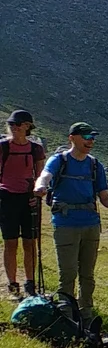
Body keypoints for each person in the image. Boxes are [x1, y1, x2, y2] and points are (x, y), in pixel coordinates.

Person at [34, 121, 108, 310]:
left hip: (91, 225)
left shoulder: (96, 165)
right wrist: (40, 186)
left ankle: (86, 315)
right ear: (72, 138)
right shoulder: (59, 160)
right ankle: (66, 314)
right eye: (87, 137)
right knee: (68, 273)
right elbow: (45, 175)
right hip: (65, 225)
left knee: (87, 275)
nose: (91, 141)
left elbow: (105, 198)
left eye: (93, 138)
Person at [2, 109, 46, 297]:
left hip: (29, 199)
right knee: (10, 242)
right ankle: (12, 283)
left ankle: (30, 283)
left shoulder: (36, 149)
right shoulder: (3, 147)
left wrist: (38, 192)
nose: (14, 128)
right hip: (6, 197)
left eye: (18, 124)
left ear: (27, 127)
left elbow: (41, 175)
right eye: (11, 124)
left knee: (30, 242)